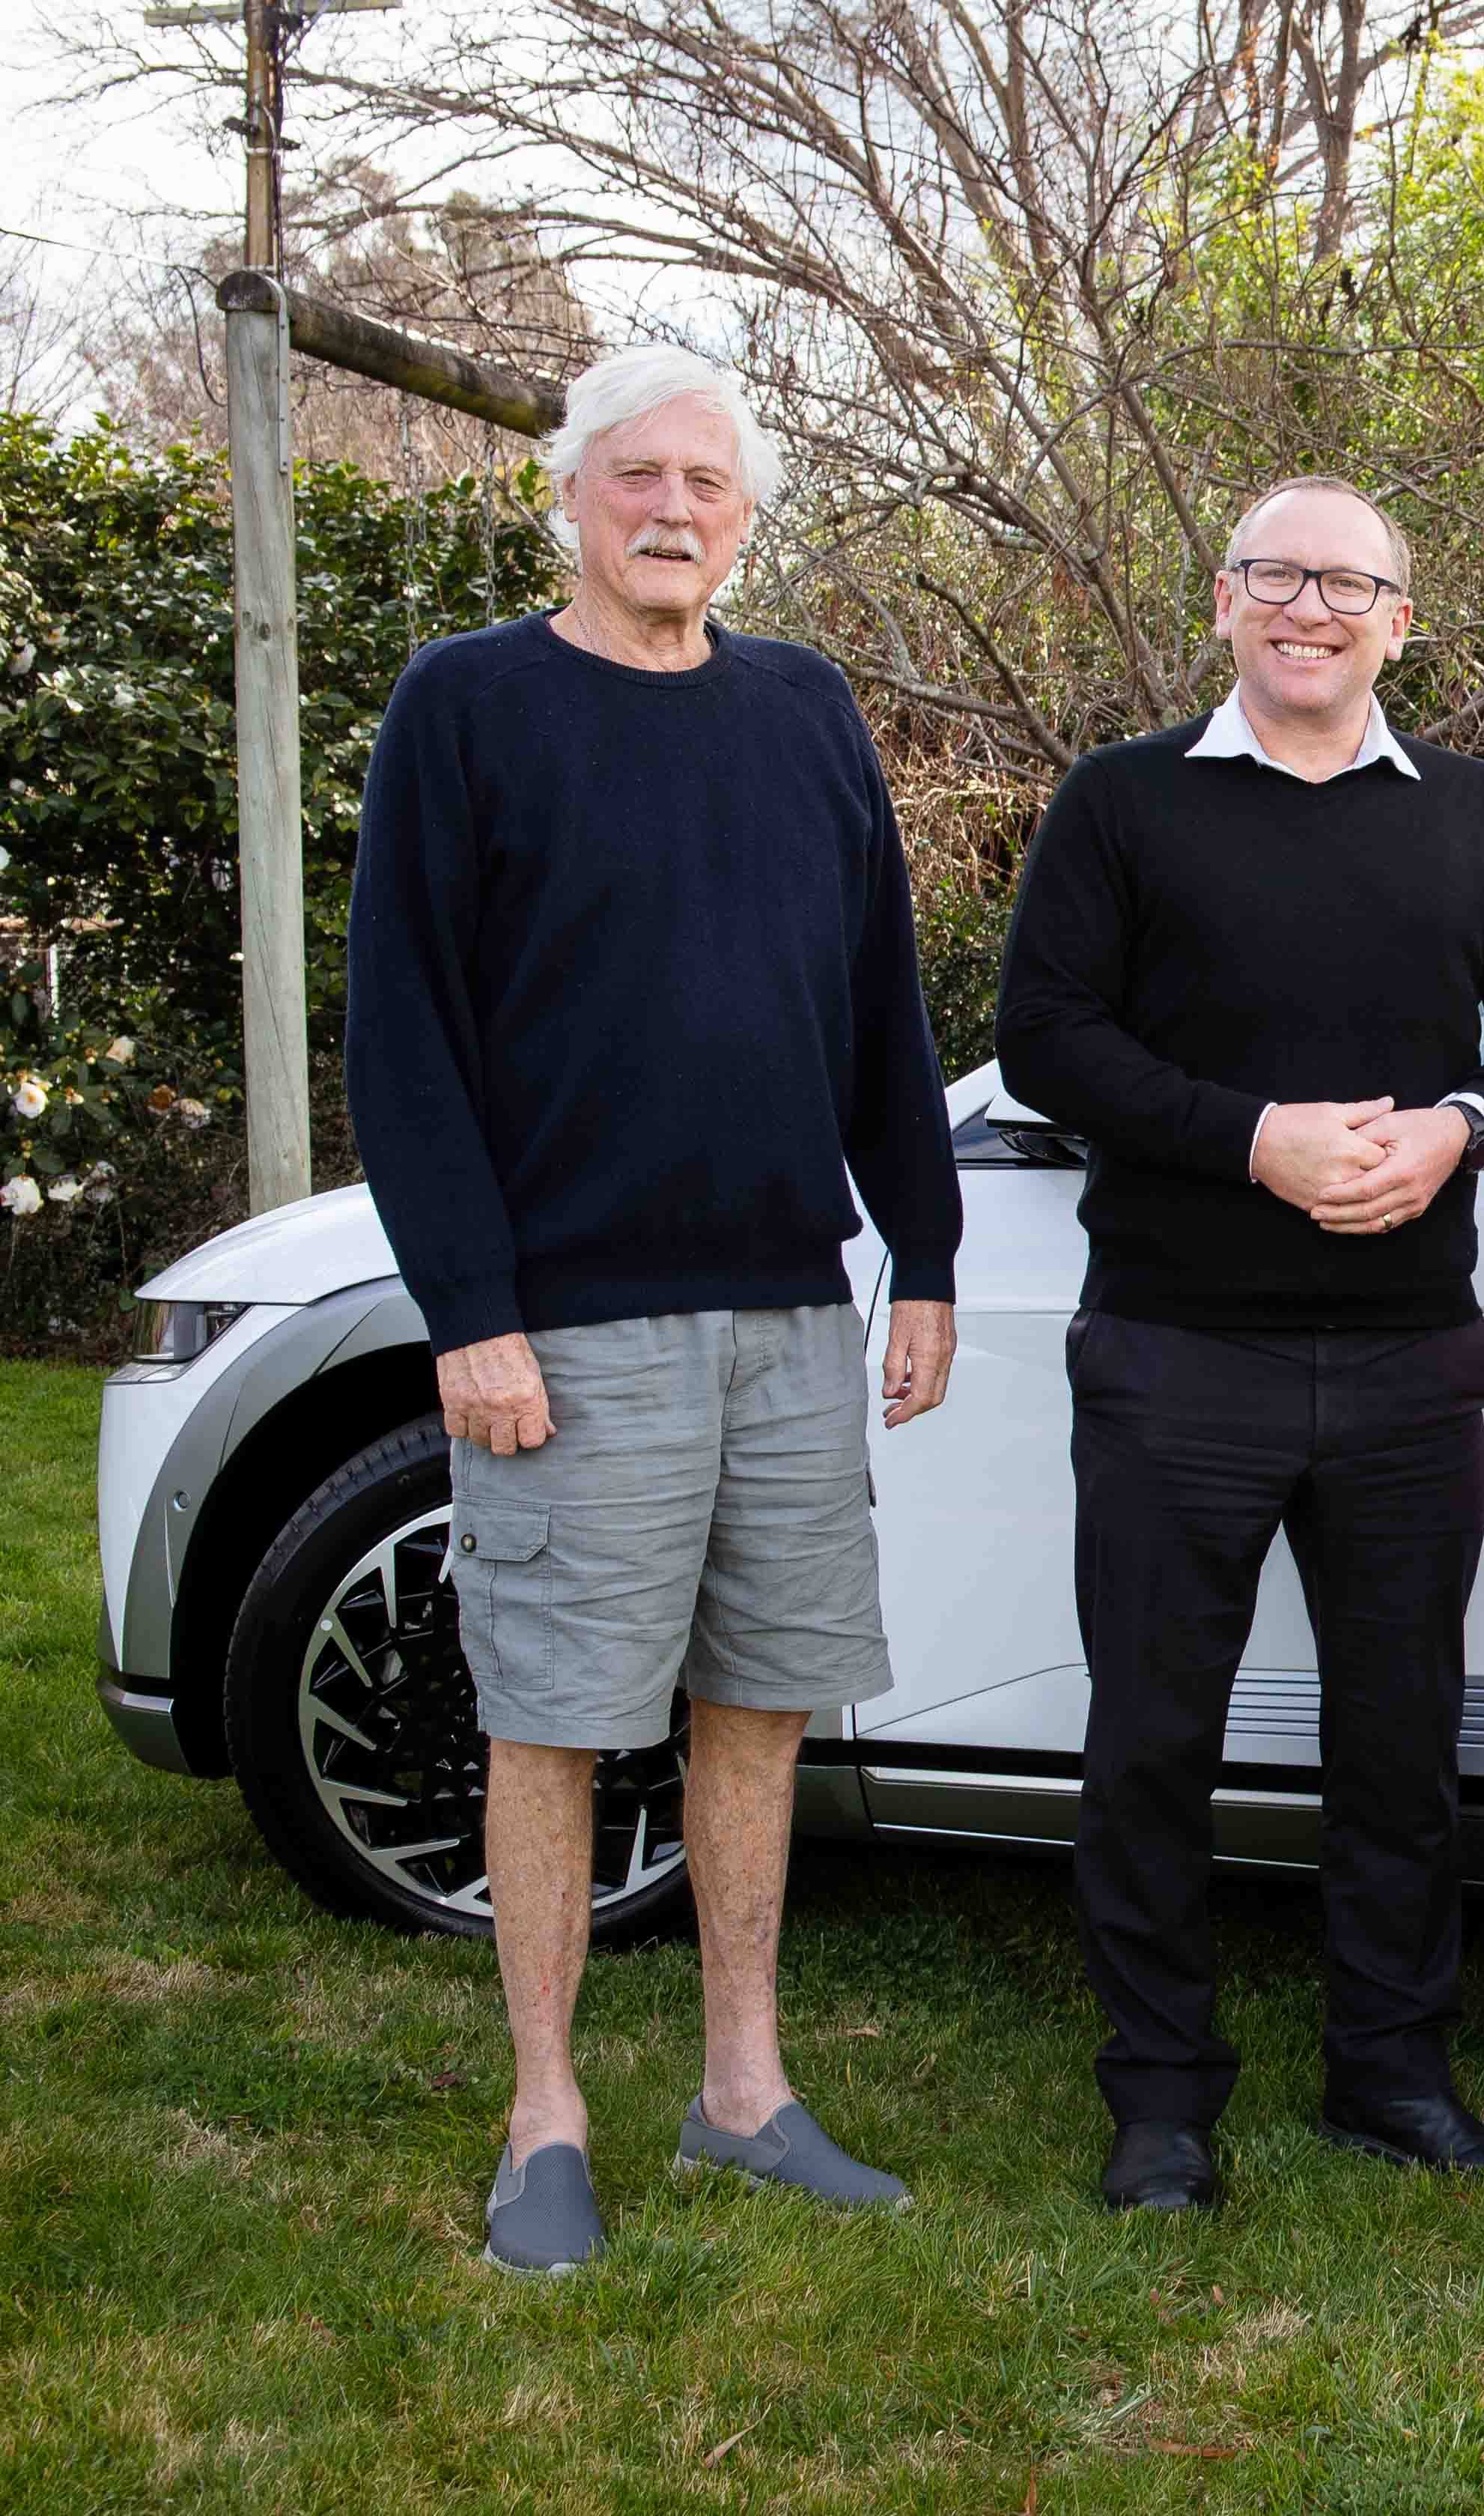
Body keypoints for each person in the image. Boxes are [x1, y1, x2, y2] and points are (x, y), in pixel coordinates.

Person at [346, 344, 962, 2277]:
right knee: (553, 1719)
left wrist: (925, 1250)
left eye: (706, 479)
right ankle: (544, 2116)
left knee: (760, 1707)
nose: (672, 508)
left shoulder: (805, 708)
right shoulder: (467, 703)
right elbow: (402, 1034)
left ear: (749, 515)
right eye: (637, 475)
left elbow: (881, 1001)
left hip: (789, 1313)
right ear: (571, 499)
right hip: (571, 1330)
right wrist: (471, 1307)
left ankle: (743, 2096)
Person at [994, 475, 1484, 2216]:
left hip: (1411, 1362)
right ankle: (1160, 2103)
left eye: (1347, 584)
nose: (1308, 607)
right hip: (1176, 1353)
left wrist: (1464, 1125)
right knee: (1153, 1746)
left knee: (1400, 1747)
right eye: (1275, 574)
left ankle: (1390, 2079)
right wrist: (1249, 1137)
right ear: (1223, 601)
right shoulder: (1121, 803)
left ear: (1398, 623)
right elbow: (1044, 1037)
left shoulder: (1474, 815)